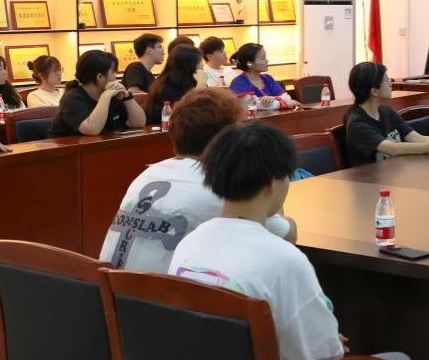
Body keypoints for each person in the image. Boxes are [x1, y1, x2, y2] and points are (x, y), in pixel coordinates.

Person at [169, 121, 429, 360]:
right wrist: (332, 340)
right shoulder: (283, 258)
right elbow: (328, 354)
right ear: (272, 183)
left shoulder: (189, 244)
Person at [100, 89, 296, 273]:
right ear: (228, 140)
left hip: (115, 292)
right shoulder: (219, 185)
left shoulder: (148, 174)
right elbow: (287, 237)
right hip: (167, 295)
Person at [343, 61, 429, 167]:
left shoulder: (386, 112)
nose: (391, 83)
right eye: (386, 80)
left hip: (393, 172)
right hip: (368, 179)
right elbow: (394, 149)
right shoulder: (357, 123)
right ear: (374, 91)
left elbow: (417, 138)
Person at [48, 50, 147, 137]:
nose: (116, 76)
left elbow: (139, 123)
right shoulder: (72, 98)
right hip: (66, 150)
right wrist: (106, 96)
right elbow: (92, 129)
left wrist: (127, 97)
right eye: (113, 72)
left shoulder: (113, 95)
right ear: (100, 77)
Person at [145, 46, 205, 123]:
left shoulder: (190, 81)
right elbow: (188, 115)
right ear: (188, 66)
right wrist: (201, 85)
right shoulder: (165, 88)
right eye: (199, 62)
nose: (202, 65)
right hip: (166, 128)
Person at [228, 43, 294, 109]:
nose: (267, 61)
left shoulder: (267, 78)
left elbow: (287, 97)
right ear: (249, 63)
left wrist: (274, 98)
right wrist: (283, 104)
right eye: (263, 58)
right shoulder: (238, 82)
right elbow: (254, 104)